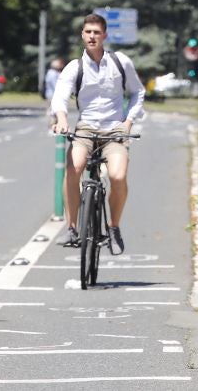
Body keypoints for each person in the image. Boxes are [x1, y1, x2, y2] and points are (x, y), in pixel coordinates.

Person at [50, 14, 145, 254]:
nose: (92, 36)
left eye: (96, 32)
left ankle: (113, 227)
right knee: (74, 169)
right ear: (82, 35)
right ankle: (71, 227)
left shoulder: (120, 62)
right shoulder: (75, 67)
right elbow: (60, 97)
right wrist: (62, 119)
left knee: (118, 176)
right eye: (87, 32)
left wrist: (129, 121)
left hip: (114, 130)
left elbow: (137, 92)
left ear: (104, 35)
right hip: (86, 129)